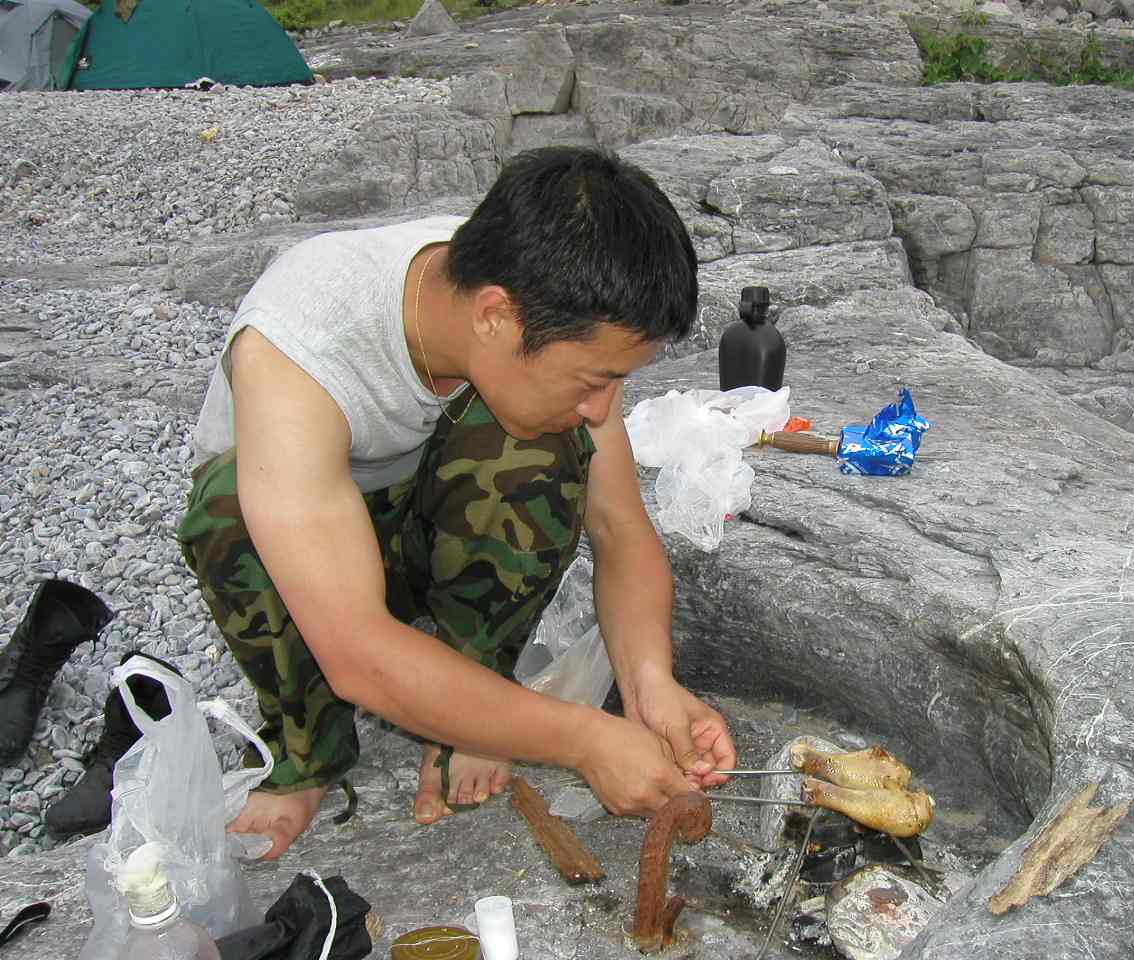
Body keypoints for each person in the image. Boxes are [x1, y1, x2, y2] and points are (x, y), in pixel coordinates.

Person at [176, 146, 736, 859]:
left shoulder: (548, 292)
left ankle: (473, 692)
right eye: (595, 378)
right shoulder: (300, 342)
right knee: (227, 509)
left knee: (537, 439)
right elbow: (356, 650)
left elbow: (620, 526)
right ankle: (306, 752)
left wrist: (650, 681)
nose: (605, 405)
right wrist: (583, 739)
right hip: (304, 566)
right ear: (495, 316)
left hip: (424, 525)